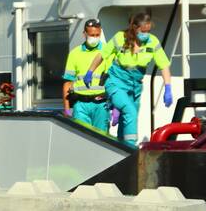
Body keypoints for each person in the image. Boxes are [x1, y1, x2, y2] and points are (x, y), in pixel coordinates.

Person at [85, 11, 173, 145]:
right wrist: (90, 71)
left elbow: (164, 65)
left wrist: (168, 87)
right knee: (130, 111)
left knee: (128, 119)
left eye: (148, 31)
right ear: (135, 28)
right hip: (115, 82)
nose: (146, 34)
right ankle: (131, 146)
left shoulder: (152, 42)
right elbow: (102, 55)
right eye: (143, 31)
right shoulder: (120, 37)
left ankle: (122, 148)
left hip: (135, 86)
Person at [62, 19, 111, 131]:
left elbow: (114, 78)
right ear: (84, 34)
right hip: (80, 104)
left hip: (101, 104)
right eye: (92, 35)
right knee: (81, 139)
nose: (95, 37)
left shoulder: (107, 51)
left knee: (102, 140)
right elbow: (67, 82)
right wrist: (66, 109)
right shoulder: (75, 53)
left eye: (97, 35)